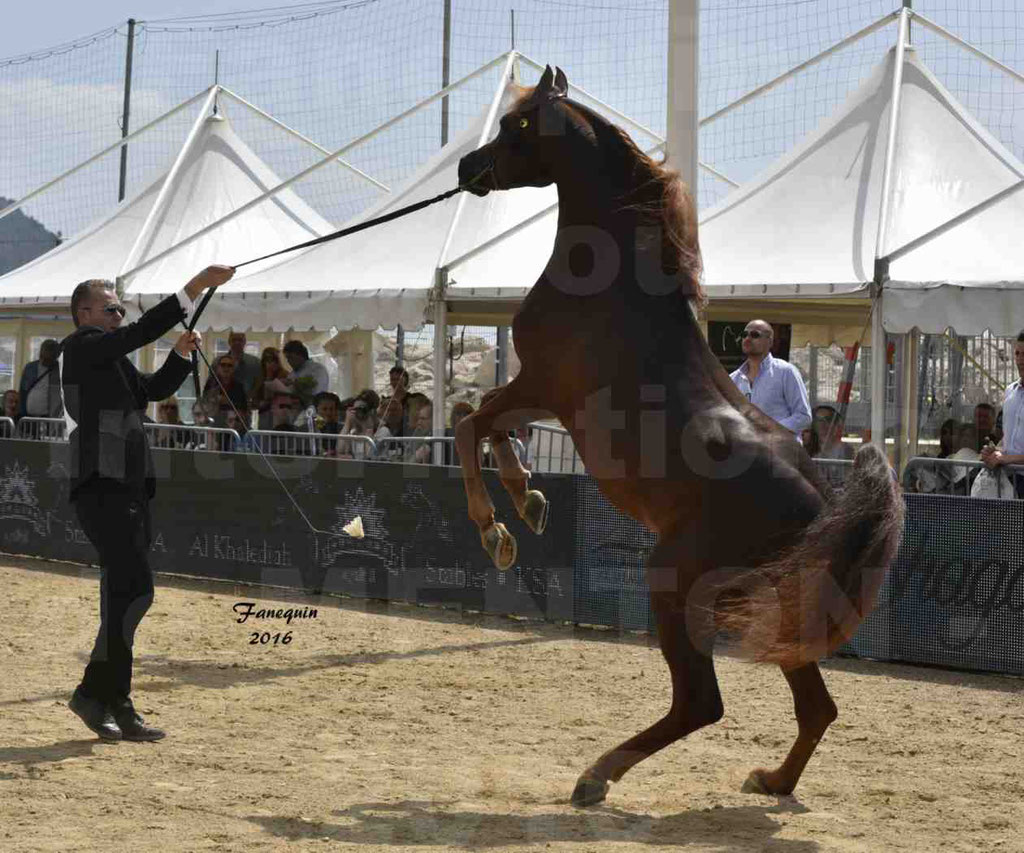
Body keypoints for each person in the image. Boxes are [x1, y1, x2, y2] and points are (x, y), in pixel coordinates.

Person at [60, 264, 233, 742]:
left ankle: (115, 699)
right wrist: (192, 289)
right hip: (102, 486)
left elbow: (151, 392)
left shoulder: (109, 358)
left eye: (120, 308)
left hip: (130, 487)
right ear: (85, 313)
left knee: (125, 598)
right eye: (111, 307)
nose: (119, 314)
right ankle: (96, 694)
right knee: (136, 591)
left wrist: (179, 356)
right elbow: (137, 333)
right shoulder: (81, 347)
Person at [728, 319, 811, 438]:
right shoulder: (733, 379)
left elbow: (803, 416)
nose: (747, 339)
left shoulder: (785, 371)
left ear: (770, 341)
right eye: (744, 335)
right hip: (747, 451)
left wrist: (769, 430)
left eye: (755, 335)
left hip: (781, 452)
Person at [981, 330, 1024, 498]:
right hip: (1008, 479)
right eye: (1017, 353)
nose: (1020, 360)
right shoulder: (1010, 392)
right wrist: (994, 451)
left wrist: (1005, 459)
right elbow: (1008, 439)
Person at [19, 338, 63, 418]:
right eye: (44, 357)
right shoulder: (30, 367)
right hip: (28, 416)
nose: (45, 361)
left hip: (50, 416)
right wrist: (21, 412)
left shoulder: (59, 369)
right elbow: (23, 390)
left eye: (50, 358)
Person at [250, 347, 291, 430]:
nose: (271, 363)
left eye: (273, 360)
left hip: (281, 415)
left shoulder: (285, 375)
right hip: (264, 415)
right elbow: (254, 399)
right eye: (267, 360)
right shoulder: (259, 378)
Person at [202, 354, 248, 426]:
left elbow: (244, 408)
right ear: (218, 368)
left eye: (229, 365)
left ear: (233, 369)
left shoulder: (239, 386)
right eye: (223, 365)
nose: (226, 368)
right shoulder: (211, 383)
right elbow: (204, 403)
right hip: (214, 423)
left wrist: (227, 401)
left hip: (232, 424)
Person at [281, 340, 328, 404]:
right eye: (287, 358)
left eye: (290, 357)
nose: (288, 361)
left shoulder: (317, 369)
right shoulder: (292, 374)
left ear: (300, 355)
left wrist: (295, 384)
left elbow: (316, 392)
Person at [226, 331, 261, 398]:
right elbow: (212, 385)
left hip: (248, 403)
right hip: (224, 403)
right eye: (234, 340)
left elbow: (259, 383)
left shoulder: (255, 362)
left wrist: (252, 396)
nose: (237, 343)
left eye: (240, 340)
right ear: (229, 342)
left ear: (245, 342)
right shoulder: (218, 362)